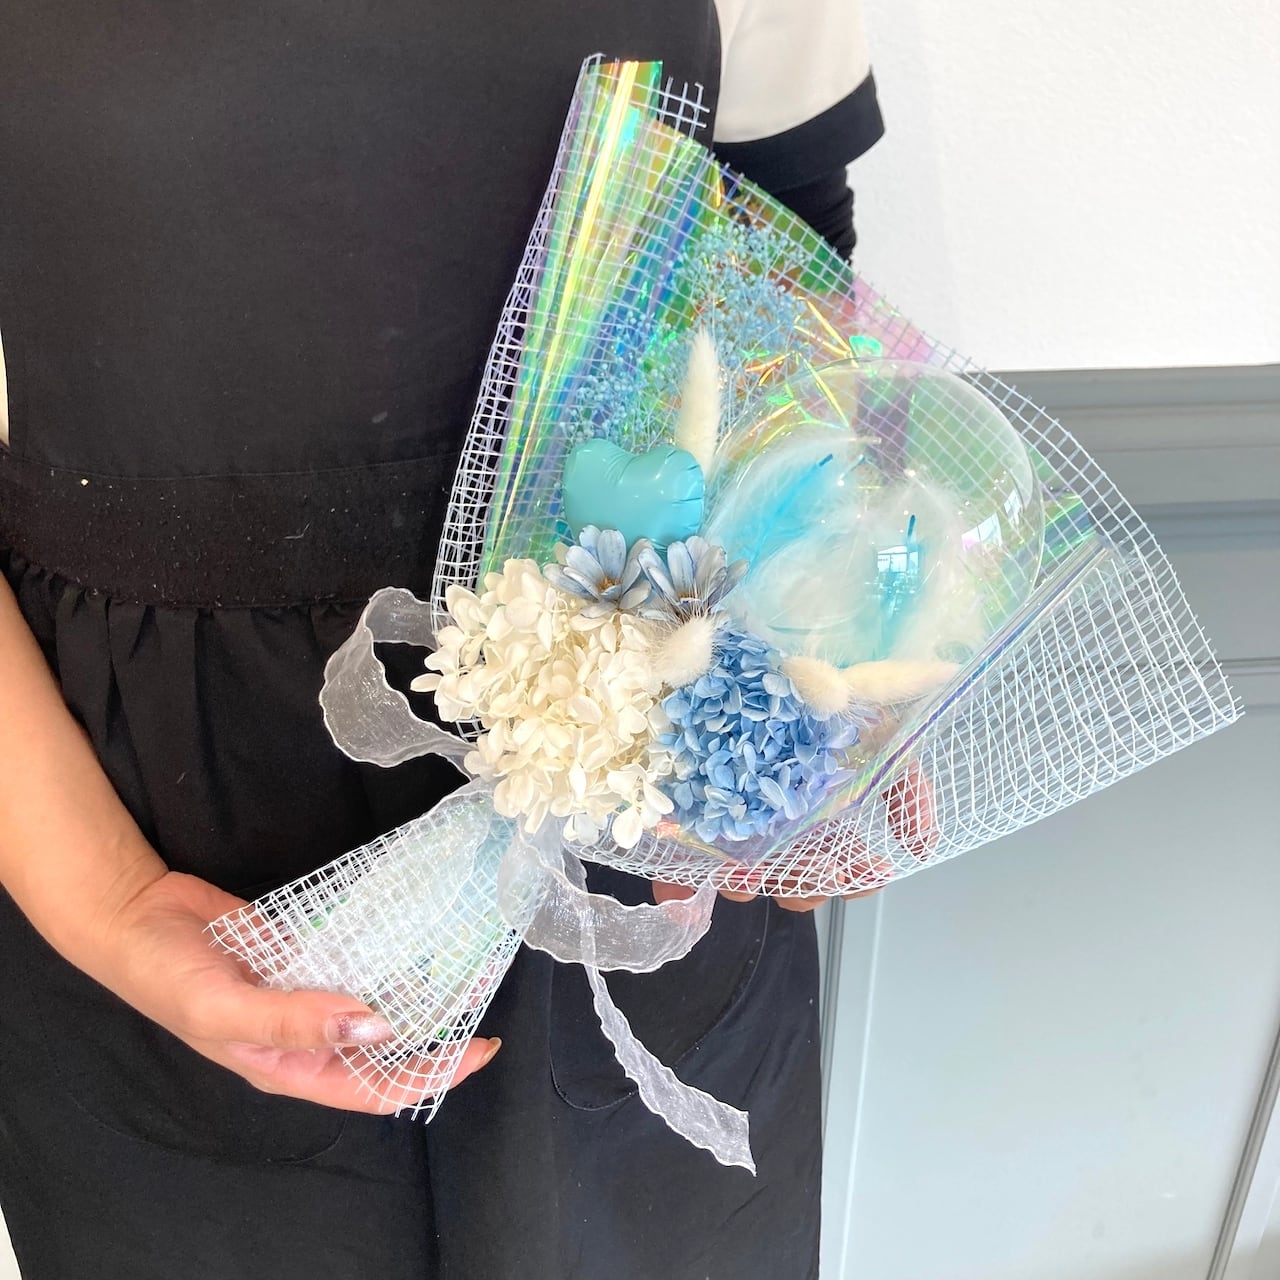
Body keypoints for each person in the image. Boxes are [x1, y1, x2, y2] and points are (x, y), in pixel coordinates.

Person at [0, 3, 888, 1276]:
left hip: (642, 785)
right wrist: (109, 900)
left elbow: (784, 276)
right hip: (137, 830)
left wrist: (836, 666)